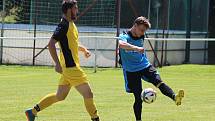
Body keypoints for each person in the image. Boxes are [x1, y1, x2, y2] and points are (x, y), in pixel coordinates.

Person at [25, 1, 100, 121]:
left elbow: (73, 44)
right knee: (88, 94)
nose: (77, 11)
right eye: (75, 8)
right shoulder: (63, 25)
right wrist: (57, 64)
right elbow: (51, 44)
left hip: (69, 68)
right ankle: (95, 118)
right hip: (71, 68)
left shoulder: (72, 25)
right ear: (69, 10)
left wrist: (84, 49)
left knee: (60, 96)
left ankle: (32, 112)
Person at [118, 16, 184, 121]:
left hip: (145, 66)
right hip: (131, 71)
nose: (142, 33)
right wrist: (136, 48)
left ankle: (175, 97)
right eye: (141, 30)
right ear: (135, 25)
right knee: (138, 98)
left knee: (159, 82)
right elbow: (121, 44)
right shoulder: (124, 35)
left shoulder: (141, 35)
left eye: (144, 31)